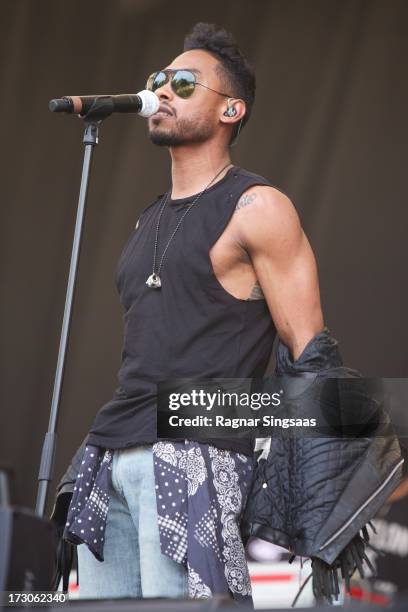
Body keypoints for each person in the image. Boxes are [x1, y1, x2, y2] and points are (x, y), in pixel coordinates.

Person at [60, 22, 325, 604]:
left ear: (232, 109)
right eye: (158, 80)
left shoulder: (258, 207)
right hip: (109, 455)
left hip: (194, 457)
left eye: (183, 82)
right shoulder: (146, 220)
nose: (162, 91)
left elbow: (310, 352)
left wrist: (312, 479)